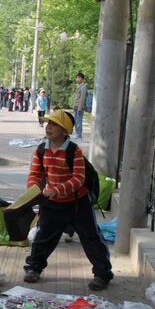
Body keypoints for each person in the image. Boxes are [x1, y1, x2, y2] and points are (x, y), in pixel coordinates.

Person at [23, 109, 113, 291]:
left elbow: (79, 179)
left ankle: (103, 274)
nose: (49, 127)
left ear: (65, 131)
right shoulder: (41, 149)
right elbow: (34, 174)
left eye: (55, 124)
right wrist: (33, 190)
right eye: (48, 123)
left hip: (77, 204)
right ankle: (33, 268)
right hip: (51, 204)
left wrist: (57, 190)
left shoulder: (74, 151)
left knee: (91, 238)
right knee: (43, 238)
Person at [72, 72, 88, 139]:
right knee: (76, 121)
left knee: (78, 121)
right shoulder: (79, 86)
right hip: (76, 107)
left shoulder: (83, 87)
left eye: (78, 78)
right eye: (77, 77)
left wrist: (79, 108)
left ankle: (79, 135)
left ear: (82, 79)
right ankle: (77, 134)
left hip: (79, 108)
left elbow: (82, 99)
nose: (77, 79)